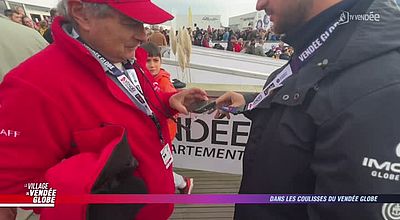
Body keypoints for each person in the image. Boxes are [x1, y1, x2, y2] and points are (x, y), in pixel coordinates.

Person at [0, 1, 208, 220]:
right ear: (81, 13)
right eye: (130, 22)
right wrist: (85, 198)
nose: (142, 35)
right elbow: (12, 191)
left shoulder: (125, 57)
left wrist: (167, 101)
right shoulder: (35, 85)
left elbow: (135, 105)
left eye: (142, 24)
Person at [215, 0, 400, 219]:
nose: (259, 4)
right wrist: (252, 102)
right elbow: (313, 104)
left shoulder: (382, 86)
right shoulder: (332, 43)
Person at [140, 42, 194, 194]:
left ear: (161, 62)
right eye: (148, 60)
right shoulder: (144, 78)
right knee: (155, 164)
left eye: (155, 60)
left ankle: (183, 183)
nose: (152, 65)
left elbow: (173, 107)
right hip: (152, 132)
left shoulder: (163, 82)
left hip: (163, 132)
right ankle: (182, 183)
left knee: (158, 165)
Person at [0, 14, 48, 81]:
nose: (29, 24)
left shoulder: (35, 33)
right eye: (26, 22)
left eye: (30, 21)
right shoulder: (33, 34)